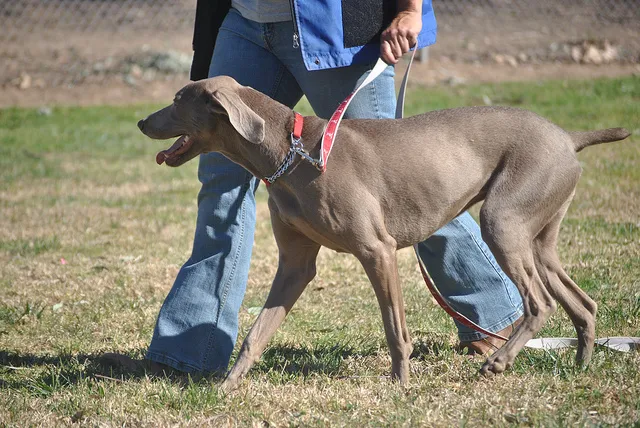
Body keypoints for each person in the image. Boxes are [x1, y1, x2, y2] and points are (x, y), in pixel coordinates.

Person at [106, 0, 523, 375]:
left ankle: (489, 314)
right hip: (244, 22)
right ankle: (188, 352)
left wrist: (410, 8)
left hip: (335, 25)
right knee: (221, 178)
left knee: (401, 183)